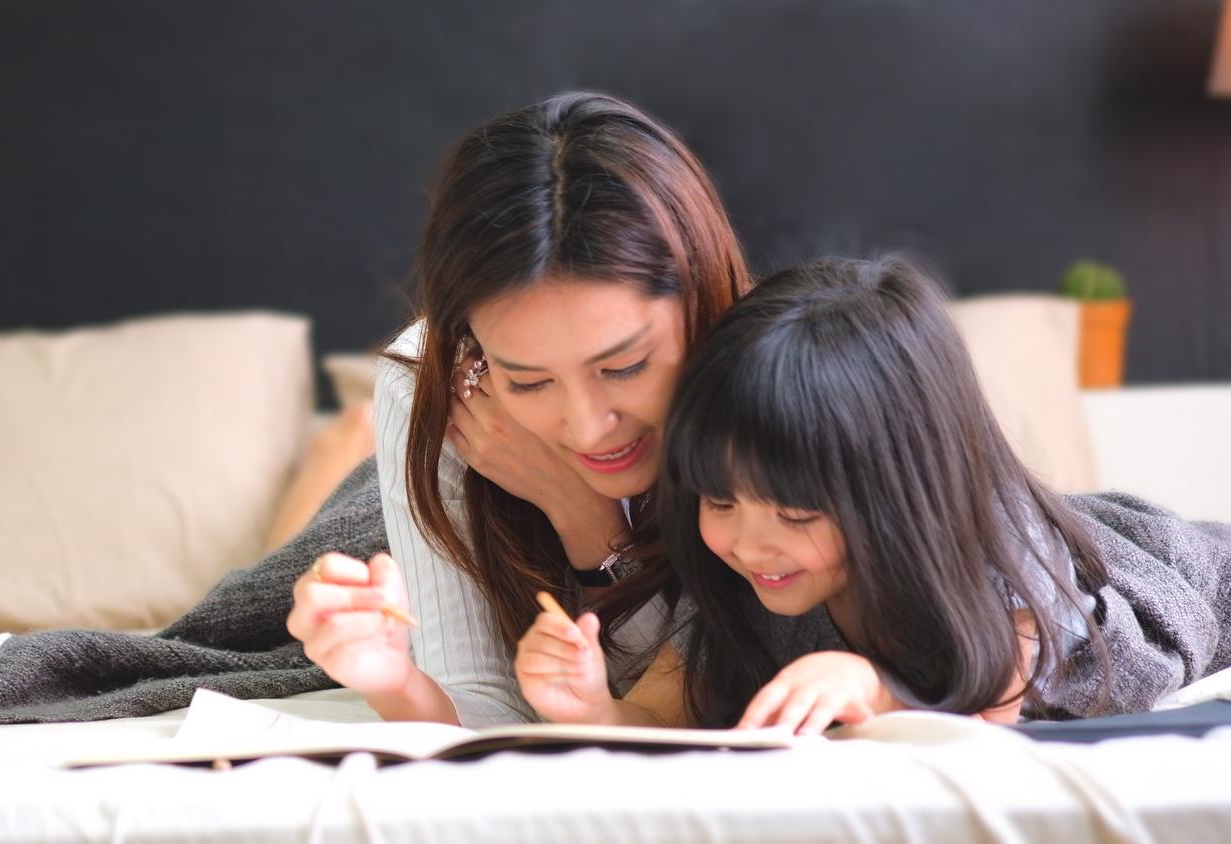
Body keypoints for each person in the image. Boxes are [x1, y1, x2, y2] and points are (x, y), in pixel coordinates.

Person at [516, 255, 1231, 732]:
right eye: (718, 501)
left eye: (795, 513)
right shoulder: (758, 584)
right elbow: (682, 716)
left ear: (898, 493)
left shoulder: (998, 558)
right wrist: (593, 708)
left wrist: (875, 690)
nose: (748, 543)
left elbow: (994, 720)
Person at [286, 91, 756, 726]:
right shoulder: (431, 383)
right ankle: (338, 452)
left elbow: (693, 685)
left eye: (623, 367)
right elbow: (481, 710)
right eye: (530, 381)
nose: (589, 427)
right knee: (295, 575)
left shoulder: (770, 377)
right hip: (401, 495)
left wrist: (582, 514)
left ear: (703, 302)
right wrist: (394, 681)